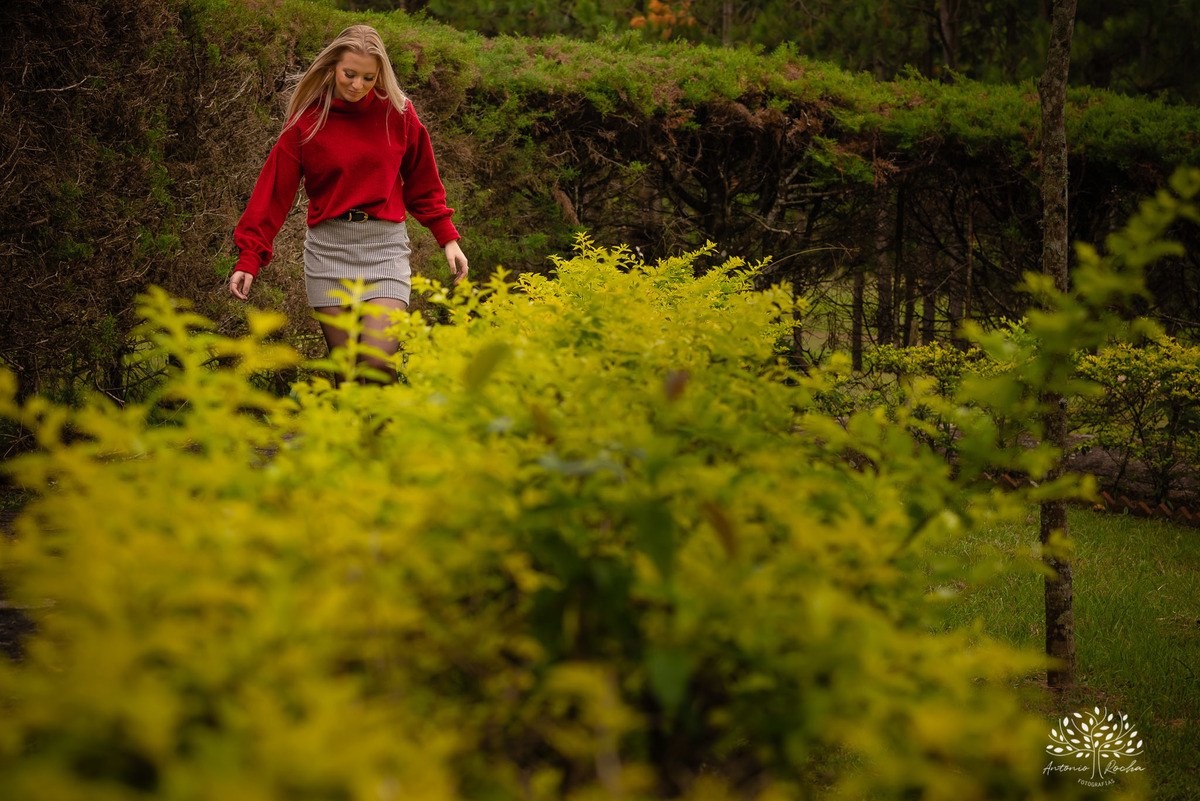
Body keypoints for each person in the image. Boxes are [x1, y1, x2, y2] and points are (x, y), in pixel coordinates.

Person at [229, 23, 467, 383]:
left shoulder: (399, 114)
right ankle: (352, 440)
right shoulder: (307, 121)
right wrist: (250, 256)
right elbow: (272, 193)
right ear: (332, 67)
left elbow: (423, 182)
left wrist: (447, 236)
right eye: (349, 74)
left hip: (384, 248)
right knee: (348, 373)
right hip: (329, 252)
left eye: (369, 78)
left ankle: (386, 438)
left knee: (377, 364)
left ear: (381, 75)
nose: (358, 85)